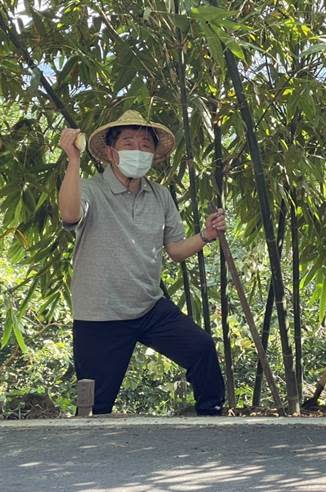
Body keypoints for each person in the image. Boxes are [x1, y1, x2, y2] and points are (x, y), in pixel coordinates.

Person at [58, 110, 226, 416]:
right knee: (94, 407)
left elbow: (175, 250)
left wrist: (206, 235)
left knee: (201, 348)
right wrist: (73, 161)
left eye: (145, 144)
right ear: (110, 152)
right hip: (100, 315)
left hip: (150, 307)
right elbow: (69, 215)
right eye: (129, 142)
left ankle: (212, 419)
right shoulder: (91, 190)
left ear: (154, 155)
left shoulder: (160, 195)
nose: (138, 150)